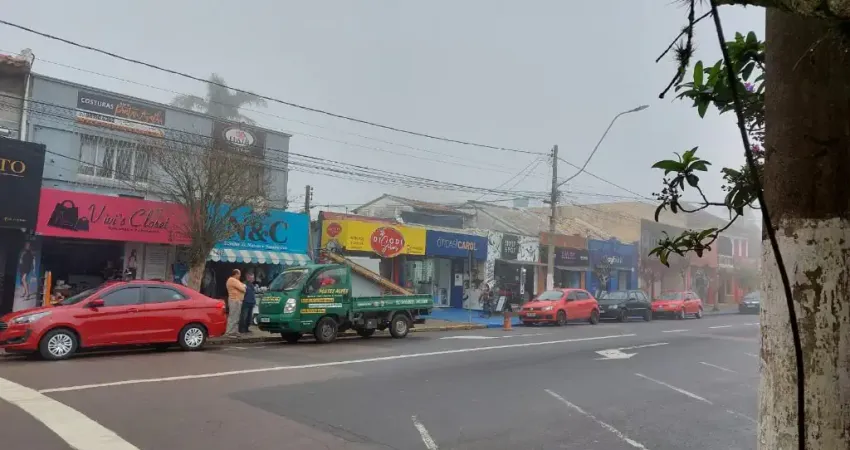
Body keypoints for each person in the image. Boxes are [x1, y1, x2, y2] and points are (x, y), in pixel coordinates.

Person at [225, 269, 246, 337]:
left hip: (237, 300)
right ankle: (229, 332)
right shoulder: (232, 280)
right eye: (239, 274)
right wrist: (243, 286)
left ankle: (234, 331)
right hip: (234, 300)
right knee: (233, 316)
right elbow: (243, 288)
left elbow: (242, 286)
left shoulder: (236, 281)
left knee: (236, 317)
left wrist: (243, 286)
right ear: (236, 274)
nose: (240, 276)